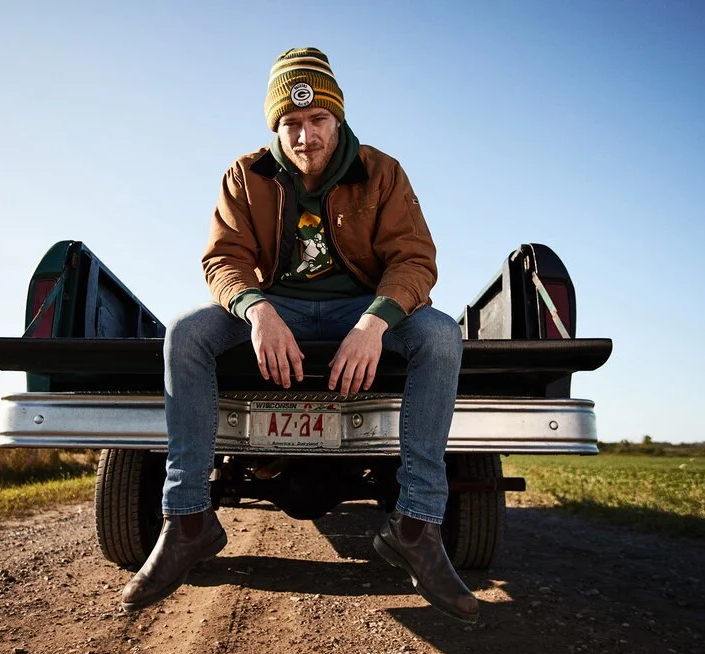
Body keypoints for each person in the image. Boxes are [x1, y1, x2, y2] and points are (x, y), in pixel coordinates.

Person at [121, 47, 477, 623]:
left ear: (338, 119)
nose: (305, 137)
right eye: (291, 123)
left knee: (439, 335)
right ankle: (188, 520)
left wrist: (373, 323)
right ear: (275, 126)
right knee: (185, 333)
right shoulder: (246, 173)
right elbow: (224, 259)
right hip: (276, 303)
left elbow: (414, 260)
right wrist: (258, 311)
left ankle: (416, 526)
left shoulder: (381, 171)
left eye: (317, 121)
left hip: (358, 307)